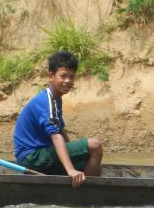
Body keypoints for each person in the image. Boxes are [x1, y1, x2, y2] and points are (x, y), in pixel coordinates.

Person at [13, 50, 103, 187]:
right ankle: (88, 193)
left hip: (40, 154)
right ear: (51, 76)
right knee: (94, 146)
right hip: (32, 158)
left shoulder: (55, 99)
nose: (67, 81)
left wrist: (74, 159)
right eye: (63, 76)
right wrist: (71, 170)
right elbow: (56, 136)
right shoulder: (46, 101)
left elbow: (60, 130)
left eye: (71, 77)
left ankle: (83, 187)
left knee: (87, 159)